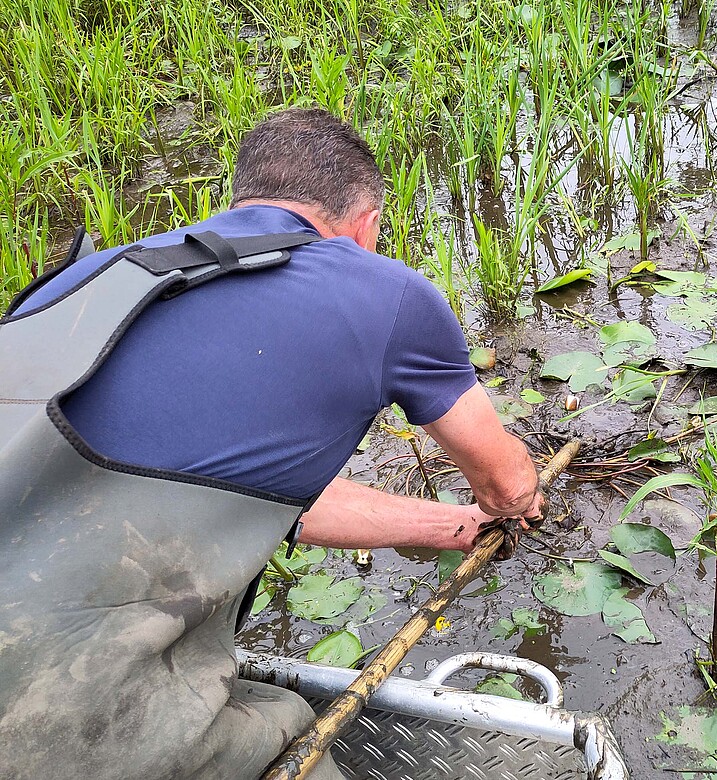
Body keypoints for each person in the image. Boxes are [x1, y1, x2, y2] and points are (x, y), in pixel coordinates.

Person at [0, 108, 541, 779]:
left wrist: (451, 524)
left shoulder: (86, 283)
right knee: (289, 735)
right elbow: (508, 486)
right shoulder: (389, 293)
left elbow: (222, 494)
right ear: (365, 223)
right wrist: (514, 496)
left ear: (242, 198)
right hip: (53, 721)